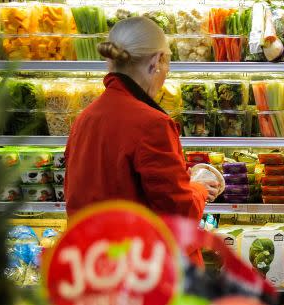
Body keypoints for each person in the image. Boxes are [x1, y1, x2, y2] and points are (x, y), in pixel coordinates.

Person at [64, 17, 220, 262]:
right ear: (157, 61)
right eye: (168, 62)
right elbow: (179, 213)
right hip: (148, 272)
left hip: (98, 265)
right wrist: (199, 188)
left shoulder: (85, 118)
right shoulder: (152, 124)